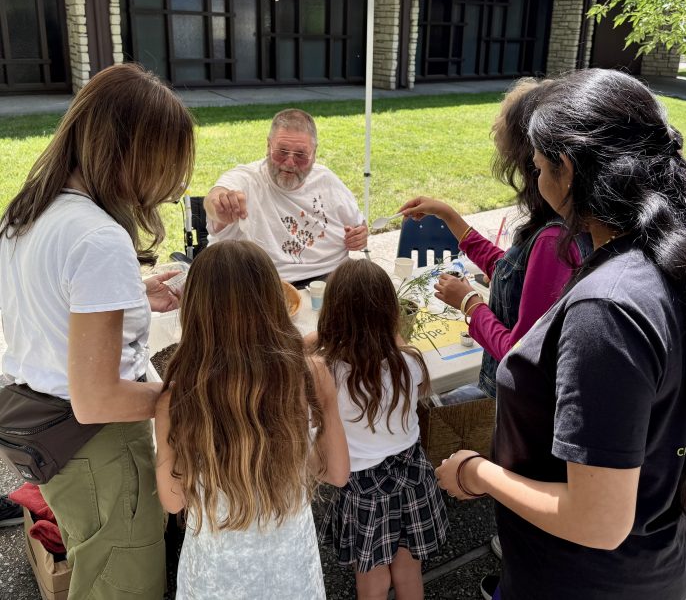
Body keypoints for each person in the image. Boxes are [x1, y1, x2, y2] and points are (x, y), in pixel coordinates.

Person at [435, 68, 686, 600]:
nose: (537, 182)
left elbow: (597, 520)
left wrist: (477, 473)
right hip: (650, 563)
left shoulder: (607, 309)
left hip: (579, 581)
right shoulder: (674, 259)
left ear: (566, 168)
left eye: (539, 168)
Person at [0, 63, 195, 599]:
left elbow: (51, 314)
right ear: (131, 151)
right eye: (166, 163)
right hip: (98, 446)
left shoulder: (29, 213)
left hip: (44, 429)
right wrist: (189, 395)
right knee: (122, 585)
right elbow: (97, 397)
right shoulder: (98, 238)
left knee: (95, 569)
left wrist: (133, 294)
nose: (171, 185)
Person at [154, 240, 350, 600]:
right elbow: (336, 473)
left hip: (215, 577)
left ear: (196, 312)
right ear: (273, 303)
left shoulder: (178, 399)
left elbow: (172, 500)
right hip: (291, 572)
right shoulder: (310, 375)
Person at [399, 78, 590, 403]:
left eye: (536, 166)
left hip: (506, 401)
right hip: (505, 392)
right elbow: (510, 270)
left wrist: (469, 303)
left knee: (422, 403)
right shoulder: (560, 226)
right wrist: (448, 216)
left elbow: (517, 353)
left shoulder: (553, 239)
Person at [313, 258, 448, 600]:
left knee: (372, 579)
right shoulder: (411, 364)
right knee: (408, 570)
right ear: (391, 314)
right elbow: (395, 342)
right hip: (413, 477)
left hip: (364, 488)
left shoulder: (328, 374)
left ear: (331, 316)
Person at [203, 108, 368, 287]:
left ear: (314, 153)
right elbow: (214, 198)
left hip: (332, 282)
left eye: (300, 155)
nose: (289, 163)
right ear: (268, 146)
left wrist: (360, 236)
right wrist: (220, 206)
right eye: (281, 152)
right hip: (264, 288)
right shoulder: (246, 179)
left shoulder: (326, 180)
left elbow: (359, 226)